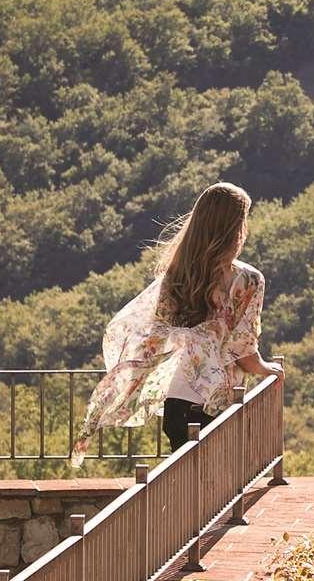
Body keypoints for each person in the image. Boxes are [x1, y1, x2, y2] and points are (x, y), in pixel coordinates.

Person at [87, 182, 274, 449]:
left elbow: (158, 334)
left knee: (187, 486)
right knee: (221, 487)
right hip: (217, 403)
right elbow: (243, 350)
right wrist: (268, 370)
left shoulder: (175, 277)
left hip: (177, 401)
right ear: (235, 228)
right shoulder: (248, 280)